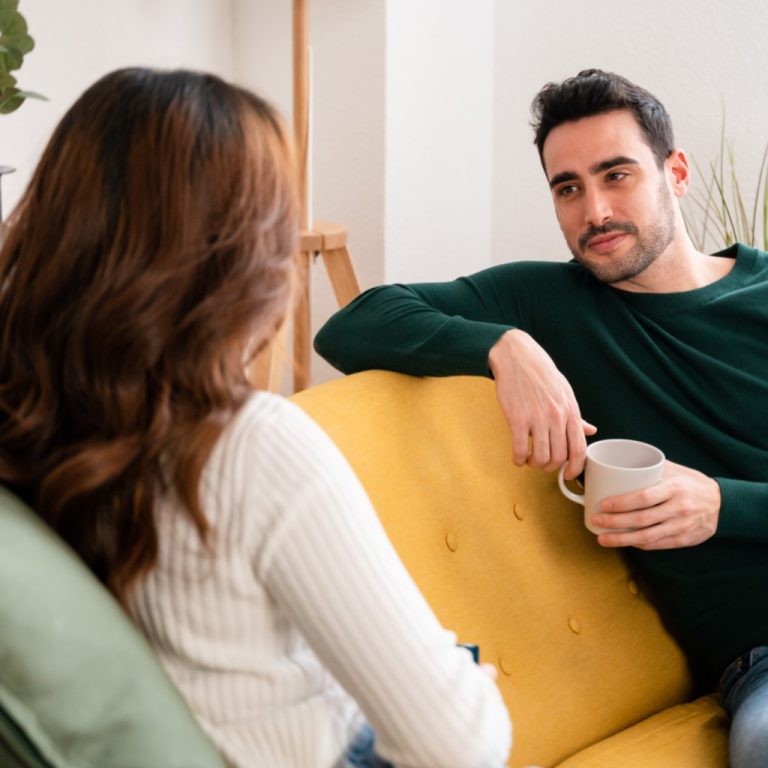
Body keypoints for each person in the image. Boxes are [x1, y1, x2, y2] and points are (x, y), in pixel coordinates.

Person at [0, 68, 511, 768]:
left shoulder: (32, 404)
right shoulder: (251, 445)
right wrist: (469, 695)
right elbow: (457, 745)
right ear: (242, 256)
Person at [314, 69, 768, 768]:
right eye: (568, 188)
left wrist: (721, 505)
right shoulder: (545, 301)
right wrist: (505, 344)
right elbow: (352, 323)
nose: (595, 211)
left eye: (617, 175)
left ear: (675, 173)